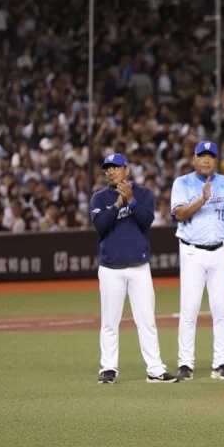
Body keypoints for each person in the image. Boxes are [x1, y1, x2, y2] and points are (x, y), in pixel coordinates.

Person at [89, 153, 177, 384]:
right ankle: (108, 368)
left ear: (126, 170)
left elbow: (146, 220)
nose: (110, 171)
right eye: (107, 168)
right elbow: (100, 225)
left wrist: (131, 200)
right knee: (109, 321)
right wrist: (118, 203)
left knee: (146, 319)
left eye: (115, 167)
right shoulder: (99, 198)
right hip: (110, 269)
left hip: (139, 267)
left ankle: (155, 369)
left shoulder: (144, 194)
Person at [171, 141, 224, 381]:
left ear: (216, 160)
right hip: (192, 251)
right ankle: (185, 364)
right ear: (194, 159)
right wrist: (202, 200)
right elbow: (179, 214)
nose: (206, 160)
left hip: (221, 250)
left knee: (221, 310)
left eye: (211, 156)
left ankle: (221, 363)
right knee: (189, 310)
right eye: (202, 156)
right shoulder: (182, 183)